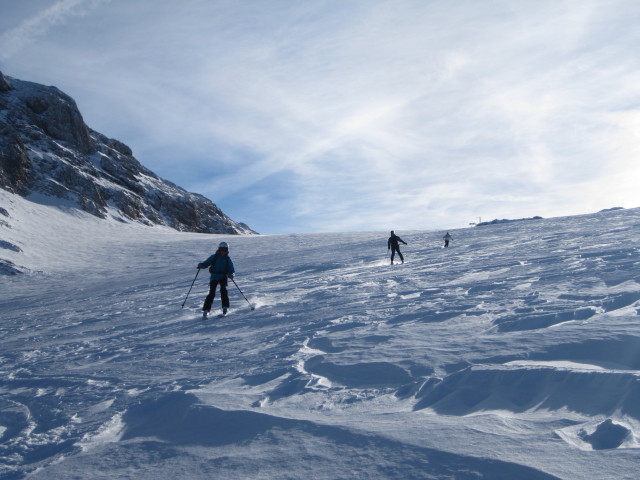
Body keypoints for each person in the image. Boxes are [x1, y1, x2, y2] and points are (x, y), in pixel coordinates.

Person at [198, 241, 235, 318]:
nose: (223, 252)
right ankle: (206, 310)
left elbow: (231, 269)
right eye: (222, 250)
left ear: (227, 251)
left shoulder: (227, 259)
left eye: (225, 250)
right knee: (211, 293)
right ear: (219, 249)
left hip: (223, 277)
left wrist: (231, 275)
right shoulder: (214, 257)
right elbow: (206, 263)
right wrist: (202, 265)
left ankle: (225, 307)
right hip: (214, 277)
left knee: (223, 291)